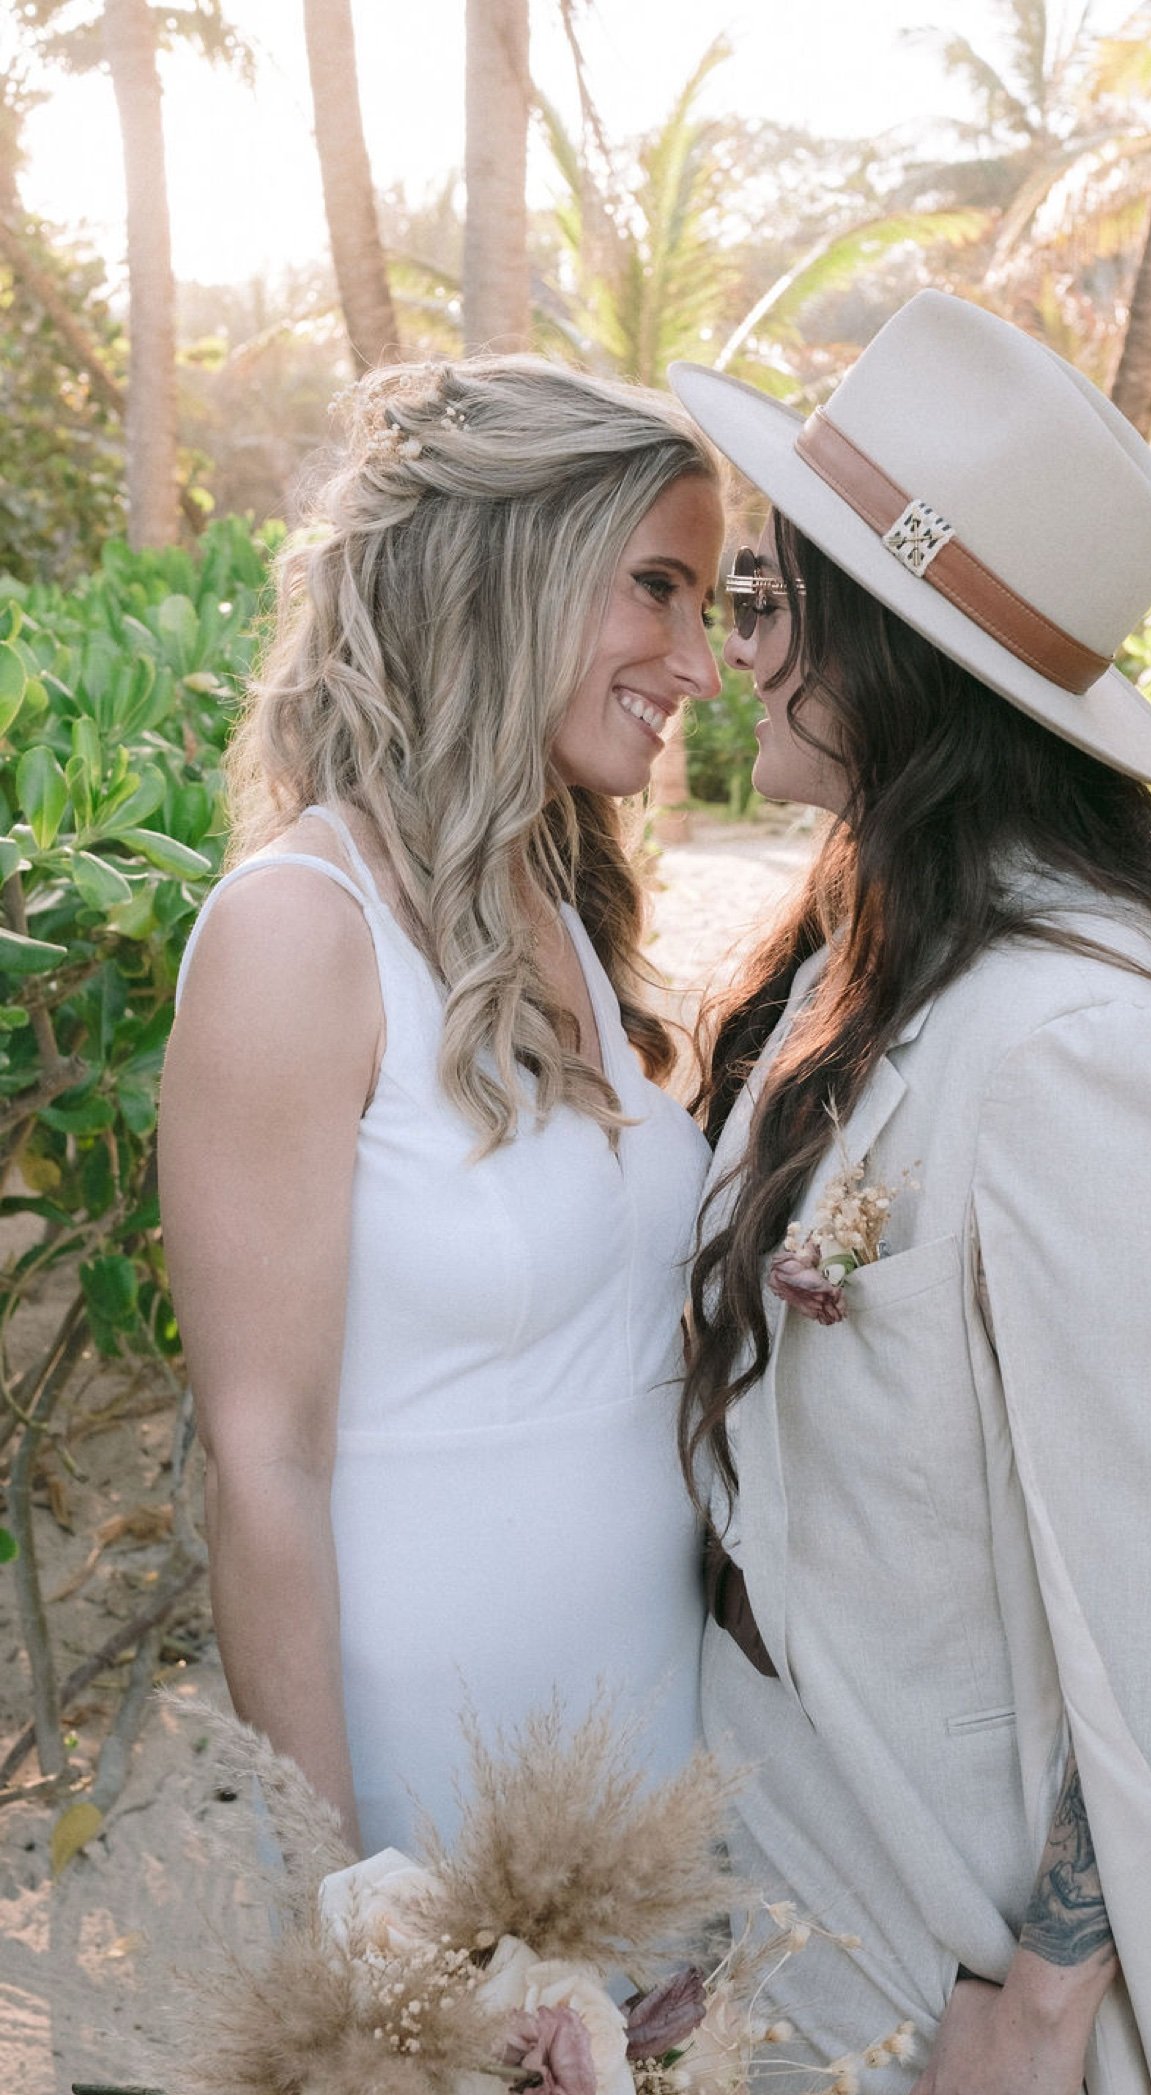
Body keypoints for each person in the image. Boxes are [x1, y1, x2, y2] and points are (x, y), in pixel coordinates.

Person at [667, 292, 1151, 2095]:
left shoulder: (1081, 1041)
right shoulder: (864, 939)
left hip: (966, 1947)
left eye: (762, 595)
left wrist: (1045, 1993)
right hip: (811, 1865)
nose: (733, 648)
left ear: (882, 652)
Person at [158, 355, 723, 1857]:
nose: (700, 662)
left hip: (654, 1750)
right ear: (507, 577)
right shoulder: (298, 931)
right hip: (434, 1772)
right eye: (657, 588)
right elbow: (262, 1457)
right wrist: (348, 1900)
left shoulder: (557, 894)